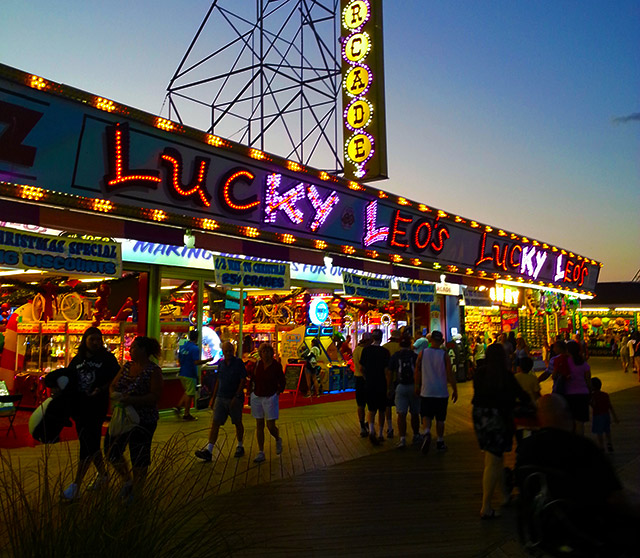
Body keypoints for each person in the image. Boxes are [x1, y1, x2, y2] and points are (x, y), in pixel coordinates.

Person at [516, 394, 639, 556]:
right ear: (566, 416)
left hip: (542, 533)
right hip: (587, 533)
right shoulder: (583, 448)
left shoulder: (525, 450)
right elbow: (616, 498)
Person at [61, 327, 121, 500]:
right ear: (85, 340)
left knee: (87, 444)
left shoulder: (107, 359)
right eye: (92, 339)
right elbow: (69, 377)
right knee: (90, 443)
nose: (95, 343)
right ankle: (103, 475)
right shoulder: (77, 359)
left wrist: (102, 389)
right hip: (79, 407)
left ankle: (76, 485)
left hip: (97, 407)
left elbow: (117, 377)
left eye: (98, 339)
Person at [472, 343, 530, 519]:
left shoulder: (480, 373)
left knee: (493, 459)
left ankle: (504, 496)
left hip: (481, 417)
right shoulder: (506, 376)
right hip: (500, 419)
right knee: (494, 461)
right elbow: (522, 396)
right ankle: (486, 506)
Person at [105, 336, 163, 500]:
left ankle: (137, 490)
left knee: (139, 455)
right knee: (111, 449)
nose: (131, 349)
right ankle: (127, 480)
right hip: (122, 417)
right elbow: (113, 385)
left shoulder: (153, 371)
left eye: (135, 347)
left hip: (143, 419)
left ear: (144, 350)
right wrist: (114, 396)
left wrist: (131, 400)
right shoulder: (127, 367)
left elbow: (155, 396)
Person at [195, 342, 247, 462]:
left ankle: (240, 445)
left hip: (234, 398)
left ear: (233, 351)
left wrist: (237, 395)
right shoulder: (221, 364)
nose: (228, 353)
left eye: (230, 351)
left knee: (237, 422)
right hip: (221, 397)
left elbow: (242, 379)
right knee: (215, 423)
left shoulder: (238, 363)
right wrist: (213, 397)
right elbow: (219, 380)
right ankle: (209, 450)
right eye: (226, 351)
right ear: (223, 351)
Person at [414, 330, 458, 454]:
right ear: (441, 342)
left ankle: (427, 432)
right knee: (440, 418)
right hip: (441, 391)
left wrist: (416, 386)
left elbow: (417, 371)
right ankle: (440, 441)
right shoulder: (444, 355)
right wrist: (455, 389)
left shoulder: (422, 353)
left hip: (426, 390)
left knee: (426, 415)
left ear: (430, 340)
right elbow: (449, 374)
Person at [248, 343, 285, 463]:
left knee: (270, 425)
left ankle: (277, 438)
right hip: (258, 395)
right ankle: (261, 451)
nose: (265, 354)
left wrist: (279, 391)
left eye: (268, 351)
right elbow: (253, 378)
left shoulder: (276, 366)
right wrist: (251, 391)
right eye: (263, 351)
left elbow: (282, 380)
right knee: (259, 424)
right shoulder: (257, 365)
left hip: (270, 396)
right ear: (260, 353)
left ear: (271, 353)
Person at [387, 335, 420, 448]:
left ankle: (402, 439)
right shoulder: (414, 356)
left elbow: (390, 372)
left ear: (400, 344)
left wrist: (389, 387)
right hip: (413, 386)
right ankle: (416, 435)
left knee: (401, 414)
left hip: (400, 386)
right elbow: (419, 371)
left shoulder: (396, 356)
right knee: (415, 413)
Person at [359, 328, 391, 446]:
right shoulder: (385, 352)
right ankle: (381, 433)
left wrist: (366, 378)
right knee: (382, 409)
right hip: (381, 383)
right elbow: (387, 371)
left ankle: (371, 430)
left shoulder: (366, 351)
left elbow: (362, 368)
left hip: (370, 384)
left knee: (371, 409)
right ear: (381, 338)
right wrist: (389, 387)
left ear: (372, 338)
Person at [176, 330, 213, 421]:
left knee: (188, 391)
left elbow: (179, 358)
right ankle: (186, 414)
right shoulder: (195, 348)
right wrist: (207, 360)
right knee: (190, 393)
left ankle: (179, 407)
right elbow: (196, 362)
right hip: (190, 373)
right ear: (197, 338)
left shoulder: (183, 344)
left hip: (182, 372)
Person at [565, 340, 592, 435]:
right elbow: (588, 381)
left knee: (570, 421)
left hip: (569, 394)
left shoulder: (565, 363)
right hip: (583, 394)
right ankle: (580, 443)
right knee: (580, 423)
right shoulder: (584, 364)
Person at [590, 377, 619, 452]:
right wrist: (615, 416)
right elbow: (610, 406)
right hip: (606, 415)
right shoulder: (605, 394)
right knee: (607, 430)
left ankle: (601, 446)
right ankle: (609, 443)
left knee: (599, 432)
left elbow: (594, 405)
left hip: (597, 415)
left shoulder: (593, 396)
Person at [382, 330, 402, 438]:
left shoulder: (385, 347)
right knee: (400, 406)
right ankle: (401, 427)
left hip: (387, 379)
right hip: (399, 380)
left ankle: (389, 427)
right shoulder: (401, 348)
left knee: (388, 405)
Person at [352, 332, 371, 437]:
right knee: (370, 403)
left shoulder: (356, 350)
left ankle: (362, 425)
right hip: (364, 379)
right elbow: (362, 367)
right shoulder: (365, 350)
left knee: (360, 404)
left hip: (357, 378)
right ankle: (367, 424)